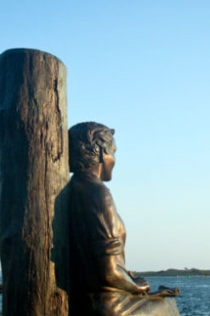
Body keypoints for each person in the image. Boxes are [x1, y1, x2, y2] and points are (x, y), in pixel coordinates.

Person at [67, 122, 179, 316]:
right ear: (102, 153)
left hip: (85, 301)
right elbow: (108, 272)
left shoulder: (74, 189)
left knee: (159, 296)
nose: (114, 159)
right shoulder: (98, 194)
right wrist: (137, 287)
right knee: (168, 305)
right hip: (110, 307)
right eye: (113, 152)